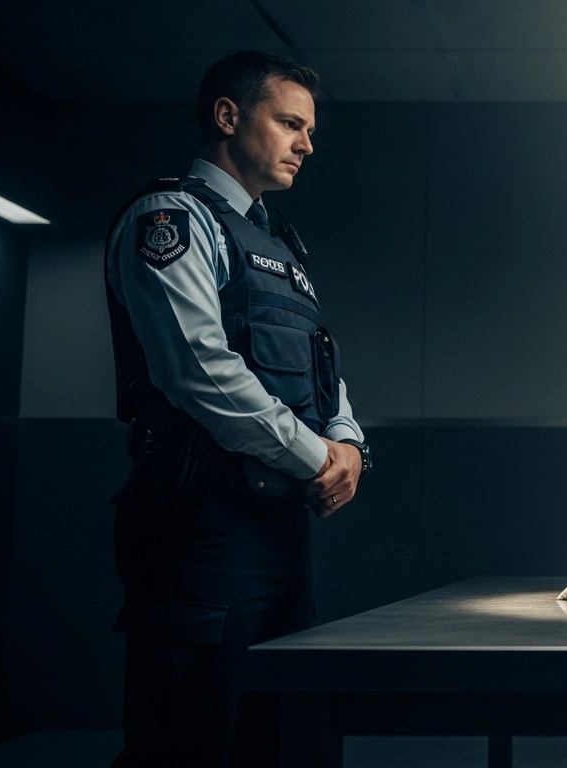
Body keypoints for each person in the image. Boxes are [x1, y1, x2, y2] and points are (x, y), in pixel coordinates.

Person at [104, 51, 372, 766]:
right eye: (290, 123)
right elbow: (200, 371)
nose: (307, 144)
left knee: (281, 740)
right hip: (200, 529)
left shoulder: (280, 241)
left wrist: (349, 444)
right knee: (187, 742)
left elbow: (323, 363)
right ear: (228, 116)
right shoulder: (172, 220)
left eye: (308, 129)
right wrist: (319, 456)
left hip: (280, 527)